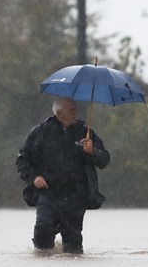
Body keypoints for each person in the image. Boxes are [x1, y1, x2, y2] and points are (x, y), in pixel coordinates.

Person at [16, 97, 110, 254]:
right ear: (59, 113)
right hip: (48, 193)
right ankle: (42, 262)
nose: (76, 113)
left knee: (73, 246)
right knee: (43, 229)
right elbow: (22, 160)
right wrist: (34, 178)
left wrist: (93, 151)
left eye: (76, 109)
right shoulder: (40, 132)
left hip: (76, 197)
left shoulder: (86, 134)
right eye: (72, 110)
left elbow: (105, 160)